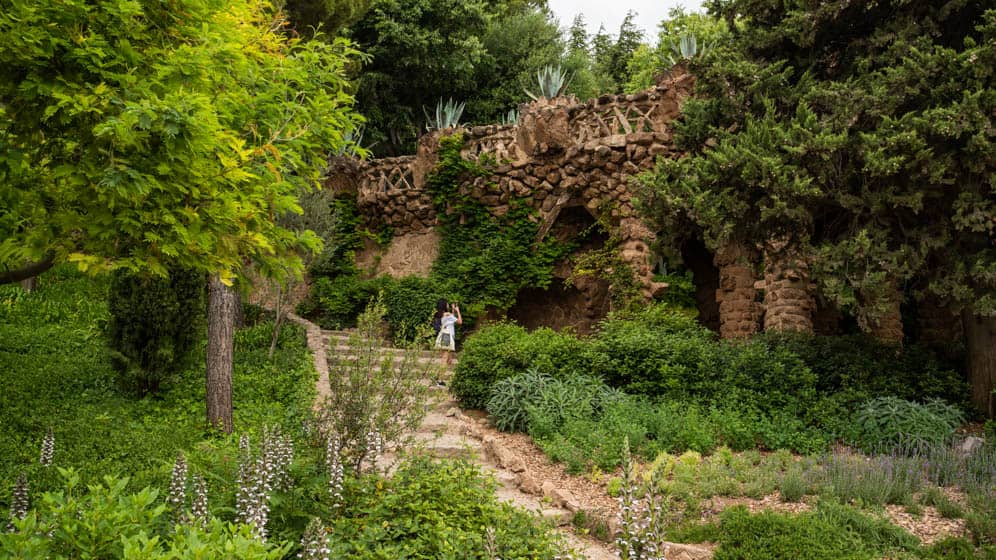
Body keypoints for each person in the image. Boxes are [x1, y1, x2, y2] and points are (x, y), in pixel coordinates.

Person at [433, 300, 462, 366]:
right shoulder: (448, 315)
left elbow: (452, 319)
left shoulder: (438, 314)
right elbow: (460, 322)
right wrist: (458, 310)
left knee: (449, 359)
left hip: (444, 336)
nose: (448, 305)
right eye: (447, 304)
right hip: (447, 337)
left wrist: (453, 310)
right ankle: (441, 376)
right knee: (444, 358)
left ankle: (443, 374)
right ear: (444, 305)